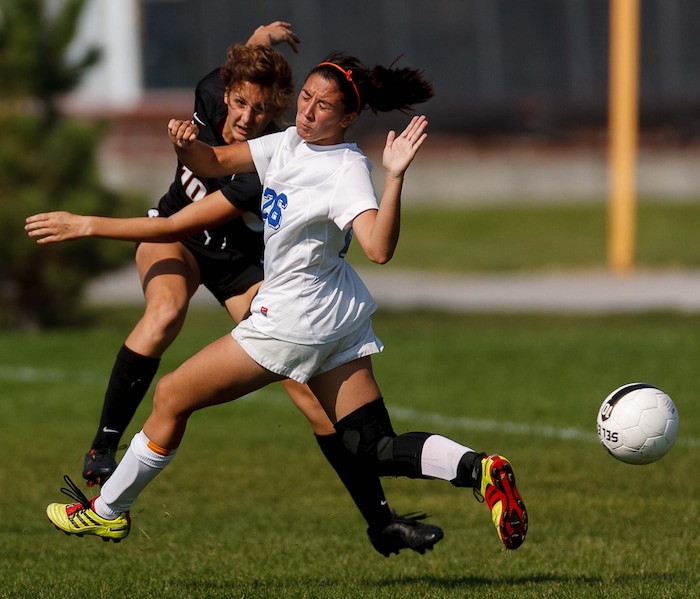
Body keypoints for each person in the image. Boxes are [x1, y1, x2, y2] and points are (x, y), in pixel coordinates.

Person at [29, 52, 528, 551]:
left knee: (171, 397)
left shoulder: (347, 169)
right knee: (371, 446)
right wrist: (185, 146)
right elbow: (213, 161)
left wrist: (394, 176)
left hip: (293, 320)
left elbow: (378, 248)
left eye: (323, 106)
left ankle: (107, 512)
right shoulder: (289, 142)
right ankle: (480, 469)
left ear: (348, 118)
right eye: (306, 98)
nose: (308, 112)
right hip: (336, 317)